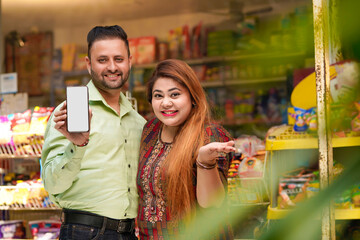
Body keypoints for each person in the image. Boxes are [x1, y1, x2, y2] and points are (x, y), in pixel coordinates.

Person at [41, 25, 146, 240]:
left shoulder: (138, 121)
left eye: (119, 59)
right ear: (89, 64)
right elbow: (52, 184)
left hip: (128, 233)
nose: (112, 67)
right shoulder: (69, 113)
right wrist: (77, 146)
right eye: (102, 60)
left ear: (130, 62)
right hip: (84, 232)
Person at [136, 59, 235, 240]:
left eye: (174, 95)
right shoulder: (150, 130)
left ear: (192, 97)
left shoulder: (209, 135)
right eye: (158, 96)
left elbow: (212, 203)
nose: (166, 103)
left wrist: (205, 162)